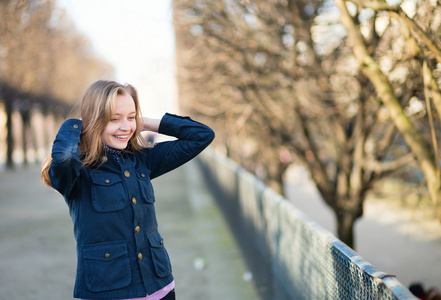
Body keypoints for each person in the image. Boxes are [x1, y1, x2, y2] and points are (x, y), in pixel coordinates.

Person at [41, 80, 215, 300]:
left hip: (159, 287)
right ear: (95, 120)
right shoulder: (77, 172)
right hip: (109, 291)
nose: (125, 126)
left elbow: (202, 135)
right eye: (114, 118)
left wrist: (142, 122)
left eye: (131, 117)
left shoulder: (141, 159)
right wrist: (77, 125)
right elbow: (65, 157)